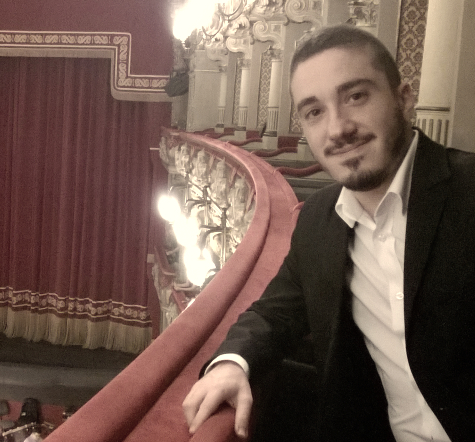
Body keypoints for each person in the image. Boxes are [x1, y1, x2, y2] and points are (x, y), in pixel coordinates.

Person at [182, 24, 475, 442]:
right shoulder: (320, 218)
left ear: (404, 98)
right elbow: (275, 311)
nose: (338, 129)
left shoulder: (467, 192)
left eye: (356, 96)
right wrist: (231, 363)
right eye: (314, 112)